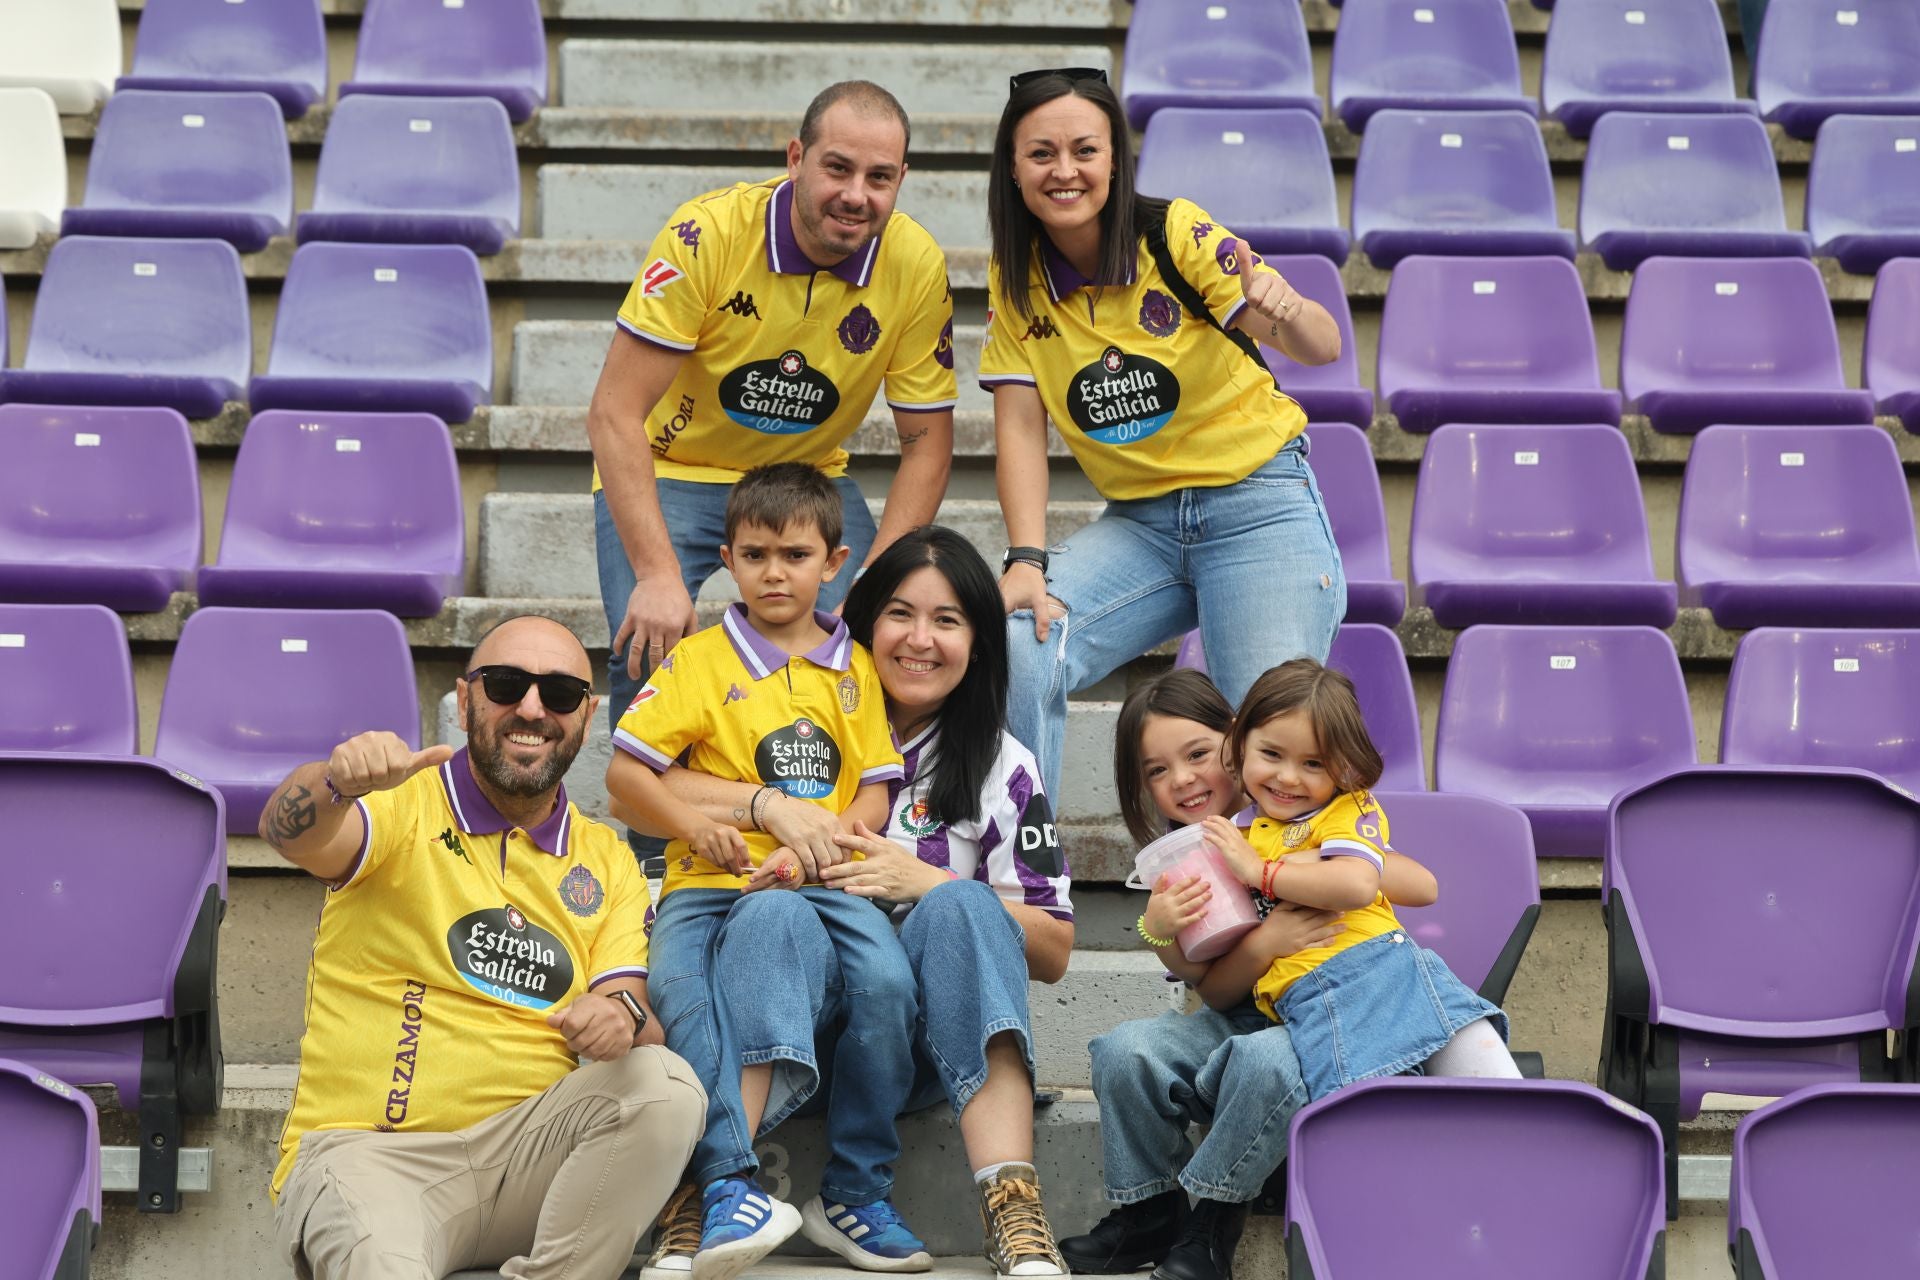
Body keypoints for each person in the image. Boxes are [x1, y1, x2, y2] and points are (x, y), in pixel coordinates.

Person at [649, 526, 1075, 1280]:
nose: (920, 639)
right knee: (775, 912)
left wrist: (929, 884)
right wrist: (766, 806)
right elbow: (655, 782)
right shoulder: (789, 700)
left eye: (947, 621)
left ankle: (1010, 1202)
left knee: (961, 908)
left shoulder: (1002, 766)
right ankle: (709, 1186)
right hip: (765, 1019)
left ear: (978, 642)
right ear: (862, 621)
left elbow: (1052, 951)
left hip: (910, 1044)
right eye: (900, 615)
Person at [261, 614, 705, 1280]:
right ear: (465, 700)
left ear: (586, 717)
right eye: (505, 685)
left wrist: (619, 1019)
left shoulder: (606, 859)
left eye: (557, 694)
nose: (531, 708)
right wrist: (332, 783)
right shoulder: (402, 801)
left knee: (665, 1084)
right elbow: (288, 833)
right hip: (373, 1157)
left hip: (524, 1159)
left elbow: (628, 1001)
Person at [588, 78, 958, 861]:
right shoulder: (707, 235)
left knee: (887, 637)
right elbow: (614, 414)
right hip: (674, 467)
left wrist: (882, 574)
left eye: (880, 177)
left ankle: (857, 849)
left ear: (900, 181)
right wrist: (655, 573)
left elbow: (928, 441)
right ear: (795, 158)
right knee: (647, 649)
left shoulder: (916, 263)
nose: (856, 195)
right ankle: (660, 873)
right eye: (837, 168)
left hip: (807, 478)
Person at [979, 67, 1347, 799]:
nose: (1065, 171)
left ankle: (1294, 902)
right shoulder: (1014, 275)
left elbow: (1321, 346)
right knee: (1021, 643)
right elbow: (1020, 426)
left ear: (1114, 157)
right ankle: (1026, 864)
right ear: (1013, 169)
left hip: (1257, 509)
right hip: (1141, 526)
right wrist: (1025, 559)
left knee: (1272, 734)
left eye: (1085, 150)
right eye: (1041, 154)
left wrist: (1288, 305)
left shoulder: (1174, 233)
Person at [606, 463, 916, 1280]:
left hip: (828, 882)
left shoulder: (856, 666)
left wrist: (817, 846)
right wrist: (702, 827)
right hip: (708, 888)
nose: (774, 572)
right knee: (678, 993)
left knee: (887, 986)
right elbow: (626, 779)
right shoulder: (701, 660)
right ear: (727, 558)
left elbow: (878, 790)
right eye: (754, 555)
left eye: (794, 554)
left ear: (835, 561)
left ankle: (859, 1187)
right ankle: (729, 1187)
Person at [1065, 669, 1441, 1280]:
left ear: (1237, 743)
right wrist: (1163, 928)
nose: (1181, 779)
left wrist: (1286, 863)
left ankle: (1212, 1222)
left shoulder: (1310, 818)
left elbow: (1419, 883)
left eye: (1196, 755)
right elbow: (1213, 989)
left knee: (1264, 1064)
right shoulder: (1189, 859)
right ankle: (1148, 1211)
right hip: (1241, 1016)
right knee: (1122, 1051)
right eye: (1156, 771)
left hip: (1319, 1023)